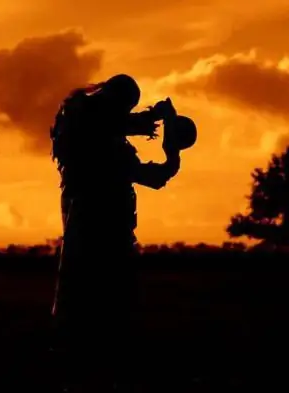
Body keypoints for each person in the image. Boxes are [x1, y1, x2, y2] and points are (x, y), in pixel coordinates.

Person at [49, 74, 189, 392]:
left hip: (94, 222)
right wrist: (171, 153)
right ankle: (87, 357)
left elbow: (114, 127)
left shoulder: (85, 125)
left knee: (87, 293)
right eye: (124, 106)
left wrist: (157, 126)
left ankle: (81, 354)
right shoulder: (93, 133)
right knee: (96, 294)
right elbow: (149, 174)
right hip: (99, 225)